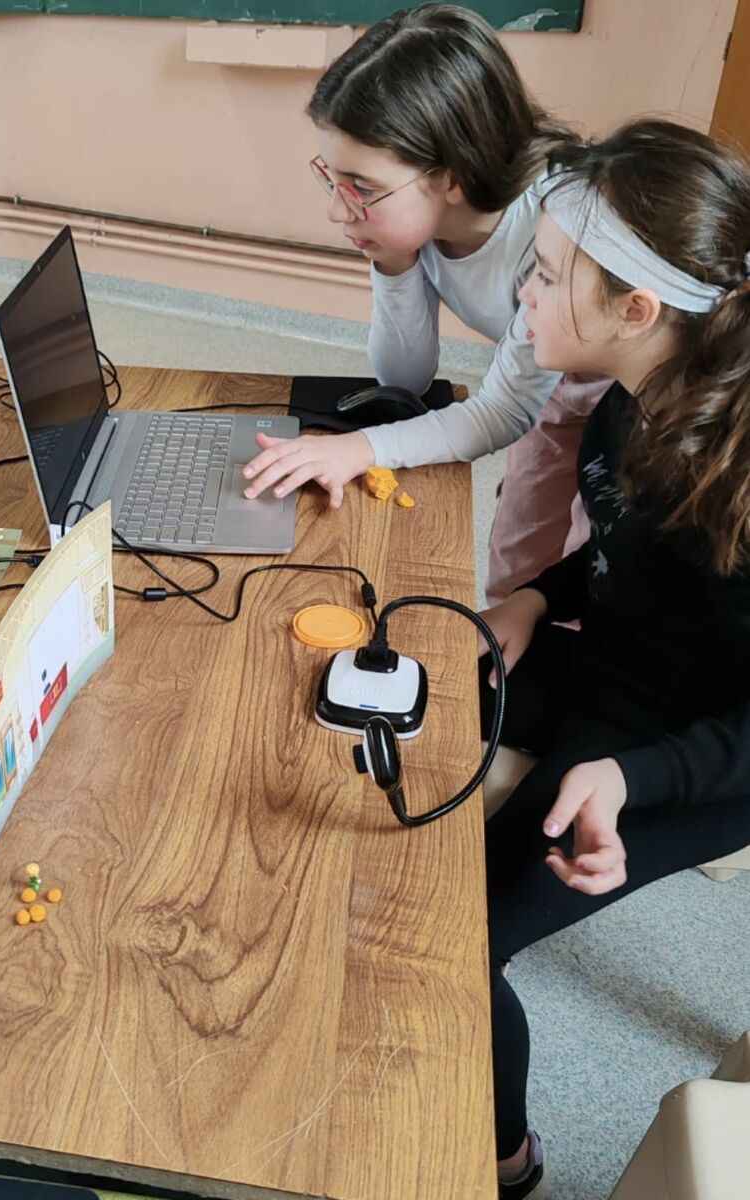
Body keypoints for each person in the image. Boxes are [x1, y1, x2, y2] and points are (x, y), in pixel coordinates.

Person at [477, 119, 750, 1199]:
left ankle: (501, 1164)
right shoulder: (625, 403)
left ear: (635, 310)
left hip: (698, 759)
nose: (524, 299)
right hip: (616, 678)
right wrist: (535, 600)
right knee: (385, 692)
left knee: (453, 953)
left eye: (543, 279)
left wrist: (626, 779)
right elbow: (620, 548)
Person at [239, 5, 608, 601]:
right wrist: (394, 263)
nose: (338, 210)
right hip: (546, 382)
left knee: (595, 566)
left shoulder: (551, 239)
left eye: (361, 188)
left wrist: (357, 448)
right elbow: (404, 379)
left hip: (627, 397)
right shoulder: (427, 222)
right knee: (517, 557)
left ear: (452, 176)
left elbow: (498, 415)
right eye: (332, 180)